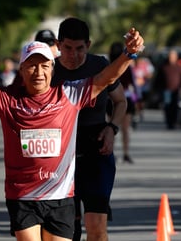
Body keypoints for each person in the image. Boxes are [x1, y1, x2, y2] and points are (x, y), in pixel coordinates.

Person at [0, 27, 144, 241]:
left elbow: (105, 78)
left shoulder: (69, 95)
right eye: (32, 66)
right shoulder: (8, 100)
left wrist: (128, 53)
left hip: (60, 197)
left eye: (44, 66)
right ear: (22, 70)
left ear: (52, 69)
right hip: (23, 197)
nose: (38, 72)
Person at [43, 19, 126, 241]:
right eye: (68, 48)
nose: (74, 55)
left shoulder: (99, 66)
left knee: (97, 227)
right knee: (68, 231)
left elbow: (121, 102)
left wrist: (112, 128)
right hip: (59, 158)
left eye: (80, 48)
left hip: (96, 152)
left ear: (88, 45)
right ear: (59, 45)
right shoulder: (47, 71)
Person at [108, 41, 139, 165]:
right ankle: (125, 153)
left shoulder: (109, 66)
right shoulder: (126, 66)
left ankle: (112, 153)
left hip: (110, 99)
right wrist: (138, 99)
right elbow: (133, 84)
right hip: (125, 98)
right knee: (125, 129)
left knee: (111, 127)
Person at [154, 49, 181, 129]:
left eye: (173, 56)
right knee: (167, 105)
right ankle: (169, 122)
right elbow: (158, 79)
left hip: (176, 90)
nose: (171, 58)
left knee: (175, 106)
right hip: (166, 90)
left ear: (176, 57)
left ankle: (174, 121)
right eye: (170, 56)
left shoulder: (180, 67)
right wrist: (157, 89)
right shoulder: (163, 66)